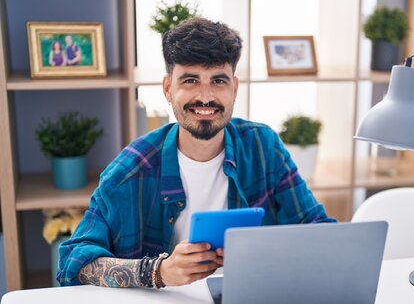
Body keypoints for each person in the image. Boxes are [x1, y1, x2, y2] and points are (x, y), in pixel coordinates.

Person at [58, 18, 335, 289]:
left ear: (234, 88)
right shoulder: (130, 170)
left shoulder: (263, 146)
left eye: (218, 81)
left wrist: (268, 253)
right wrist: (157, 272)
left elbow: (317, 230)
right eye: (190, 80)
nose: (205, 96)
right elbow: (73, 261)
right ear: (168, 88)